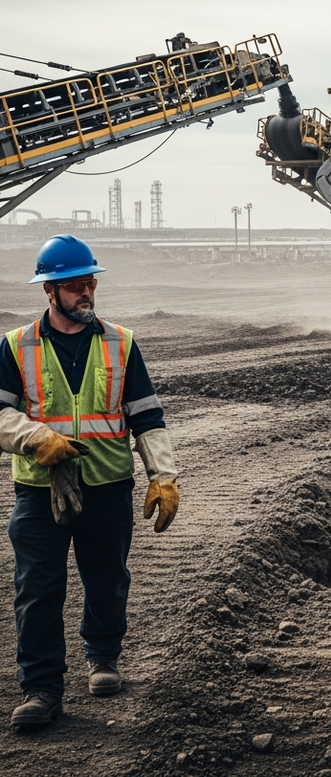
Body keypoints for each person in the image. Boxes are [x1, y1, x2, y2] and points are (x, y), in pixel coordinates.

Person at [0, 235, 179, 728]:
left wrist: (162, 475)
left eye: (90, 282)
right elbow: (0, 414)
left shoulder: (121, 342)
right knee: (37, 588)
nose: (86, 292)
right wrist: (38, 439)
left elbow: (146, 414)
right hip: (39, 489)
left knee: (107, 580)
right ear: (49, 291)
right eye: (75, 284)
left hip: (108, 485)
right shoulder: (17, 345)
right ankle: (41, 689)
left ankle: (102, 657)